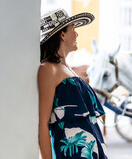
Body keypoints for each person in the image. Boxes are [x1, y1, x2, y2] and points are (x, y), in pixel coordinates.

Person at [38, 8, 108, 159]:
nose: (76, 34)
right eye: (73, 29)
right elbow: (42, 124)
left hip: (91, 150)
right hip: (72, 153)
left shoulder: (67, 68)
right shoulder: (48, 69)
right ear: (62, 34)